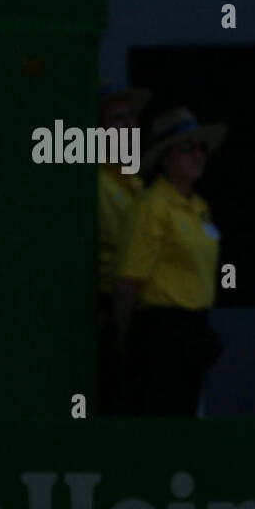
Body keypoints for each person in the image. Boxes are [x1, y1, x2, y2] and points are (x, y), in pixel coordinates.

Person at [113, 106, 227, 416]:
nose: (197, 155)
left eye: (200, 147)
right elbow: (126, 283)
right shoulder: (151, 205)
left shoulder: (200, 207)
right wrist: (125, 340)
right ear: (166, 158)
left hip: (195, 329)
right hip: (160, 332)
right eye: (186, 148)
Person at [96, 80, 150, 414]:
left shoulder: (140, 184)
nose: (129, 126)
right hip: (105, 312)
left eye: (131, 118)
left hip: (147, 312)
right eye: (117, 119)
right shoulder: (89, 182)